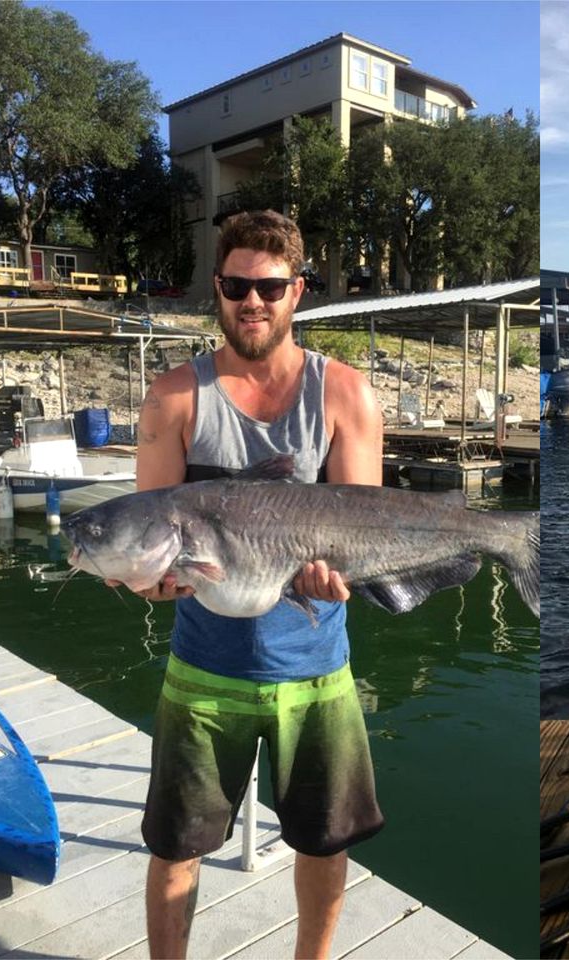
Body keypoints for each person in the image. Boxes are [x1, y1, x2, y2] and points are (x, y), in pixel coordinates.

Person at [112, 209, 384, 959]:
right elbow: (151, 539)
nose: (251, 302)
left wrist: (339, 578)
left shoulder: (347, 395)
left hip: (317, 673)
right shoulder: (173, 398)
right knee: (175, 845)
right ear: (218, 290)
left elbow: (361, 526)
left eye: (268, 286)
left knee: (324, 844)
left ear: (297, 291)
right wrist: (146, 579)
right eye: (236, 286)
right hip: (204, 672)